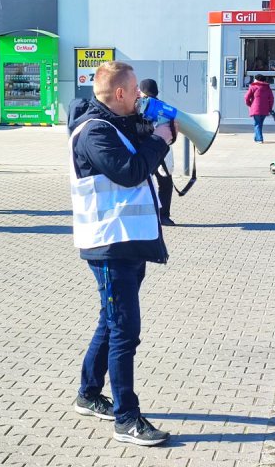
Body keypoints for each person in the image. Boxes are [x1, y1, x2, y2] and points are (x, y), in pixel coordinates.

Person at [68, 61, 173, 446]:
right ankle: (126, 419)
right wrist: (159, 140)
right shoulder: (94, 132)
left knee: (110, 323)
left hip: (126, 241)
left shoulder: (113, 124)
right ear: (119, 94)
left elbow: (135, 142)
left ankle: (89, 393)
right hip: (109, 244)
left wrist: (157, 129)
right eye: (136, 92)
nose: (141, 97)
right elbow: (129, 170)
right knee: (124, 331)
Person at [139, 78, 176, 226]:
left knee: (143, 184)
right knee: (166, 184)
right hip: (163, 150)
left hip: (146, 151)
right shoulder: (164, 108)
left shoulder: (139, 106)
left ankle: (146, 215)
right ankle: (164, 216)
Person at [244, 73, 274, 144]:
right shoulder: (267, 87)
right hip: (265, 109)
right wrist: (270, 108)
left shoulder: (253, 87)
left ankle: (259, 139)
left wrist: (249, 104)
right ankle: (256, 137)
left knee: (257, 124)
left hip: (255, 108)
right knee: (259, 124)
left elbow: (246, 97)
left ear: (256, 79)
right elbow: (271, 99)